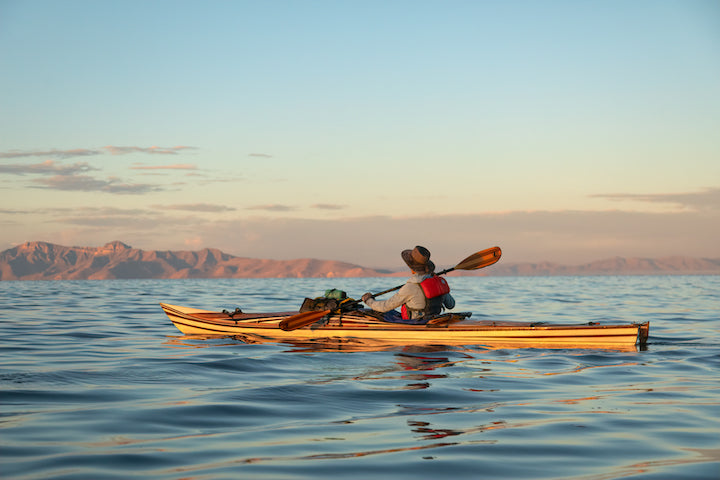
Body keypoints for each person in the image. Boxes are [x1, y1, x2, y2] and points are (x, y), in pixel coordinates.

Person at [362, 246, 455, 324]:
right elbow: (451, 305)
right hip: (434, 320)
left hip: (415, 323)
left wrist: (368, 300)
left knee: (383, 313)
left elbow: (384, 307)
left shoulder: (410, 287)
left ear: (412, 268)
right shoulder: (438, 282)